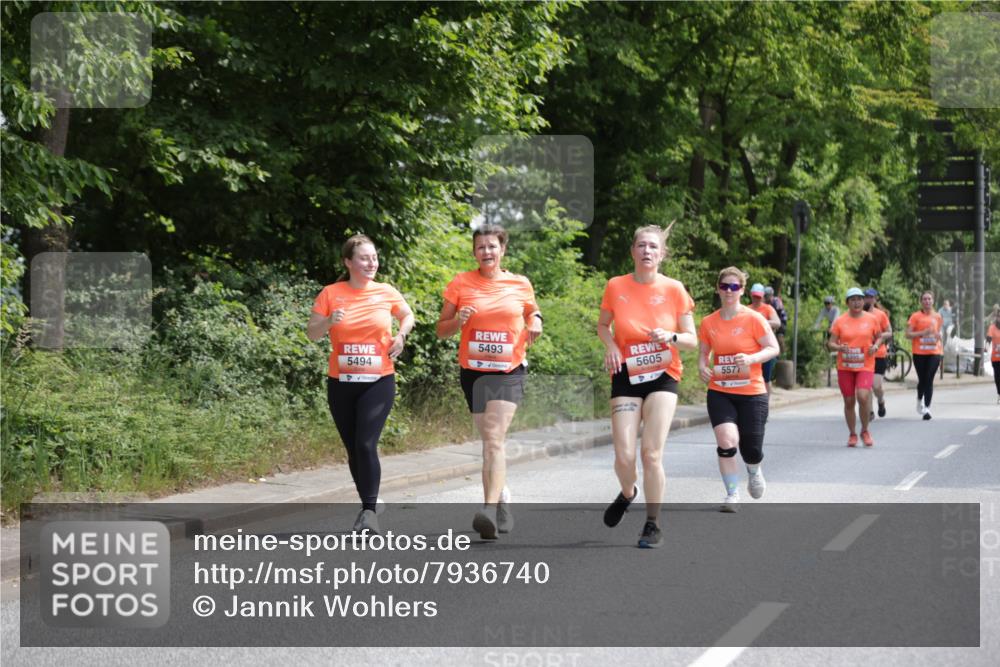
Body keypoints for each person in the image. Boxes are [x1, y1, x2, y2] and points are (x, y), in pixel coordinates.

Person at [437, 223, 542, 540]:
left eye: (492, 246)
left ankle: (487, 509)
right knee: (490, 443)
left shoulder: (519, 283)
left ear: (502, 249)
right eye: (481, 247)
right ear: (474, 252)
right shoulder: (461, 283)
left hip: (508, 370)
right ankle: (502, 497)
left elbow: (533, 313)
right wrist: (459, 320)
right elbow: (442, 329)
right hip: (473, 371)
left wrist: (536, 322)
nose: (486, 252)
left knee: (494, 438)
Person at [597, 224, 697, 549]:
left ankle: (652, 524)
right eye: (641, 245)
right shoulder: (616, 285)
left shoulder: (674, 289)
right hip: (627, 373)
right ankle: (629, 492)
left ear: (662, 254)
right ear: (633, 251)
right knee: (624, 457)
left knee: (651, 453)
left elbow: (692, 340)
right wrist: (611, 346)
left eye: (653, 247)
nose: (647, 251)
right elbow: (603, 325)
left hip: (663, 373)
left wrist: (671, 337)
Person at [307, 234, 415, 534]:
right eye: (365, 258)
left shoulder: (386, 291)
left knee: (366, 443)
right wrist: (329, 321)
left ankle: (368, 513)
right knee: (353, 448)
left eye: (375, 257)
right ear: (348, 262)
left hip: (378, 380)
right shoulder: (331, 293)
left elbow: (408, 315)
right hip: (341, 382)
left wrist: (401, 335)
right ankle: (370, 500)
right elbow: (312, 333)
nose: (372, 263)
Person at [698, 268, 780, 513]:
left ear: (742, 290)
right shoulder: (709, 322)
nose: (729, 291)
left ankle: (754, 468)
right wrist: (702, 367)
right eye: (725, 286)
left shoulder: (754, 318)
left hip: (752, 392)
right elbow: (703, 353)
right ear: (718, 288)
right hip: (720, 390)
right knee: (726, 440)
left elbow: (773, 348)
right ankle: (732, 493)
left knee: (751, 449)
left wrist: (751, 358)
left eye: (734, 287)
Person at [828, 287, 881, 447]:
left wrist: (875, 346)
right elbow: (830, 343)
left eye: (859, 299)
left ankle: (865, 430)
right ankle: (852, 434)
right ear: (847, 303)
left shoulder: (871, 319)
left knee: (863, 397)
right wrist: (839, 348)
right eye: (853, 300)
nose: (857, 302)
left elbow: (879, 338)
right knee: (849, 401)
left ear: (864, 301)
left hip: (865, 364)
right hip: (845, 366)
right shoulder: (840, 321)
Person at [905, 291, 944, 420]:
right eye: (925, 299)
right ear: (921, 302)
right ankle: (919, 398)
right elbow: (908, 334)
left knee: (929, 378)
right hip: (919, 352)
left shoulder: (938, 316)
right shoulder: (915, 316)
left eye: (929, 299)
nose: (927, 301)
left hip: (934, 352)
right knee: (922, 379)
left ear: (933, 301)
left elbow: (939, 333)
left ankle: (927, 407)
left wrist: (939, 336)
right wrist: (922, 332)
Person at [863, 288, 893, 419]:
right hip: (863, 355)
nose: (868, 299)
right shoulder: (858, 314)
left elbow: (890, 332)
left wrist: (879, 335)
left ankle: (881, 401)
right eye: (866, 297)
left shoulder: (881, 314)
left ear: (875, 299)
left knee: (876, 386)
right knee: (866, 386)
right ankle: (869, 411)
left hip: (879, 354)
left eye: (871, 297)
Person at [747, 283, 781, 396]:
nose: (756, 299)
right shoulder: (747, 309)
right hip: (750, 349)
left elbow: (777, 322)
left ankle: (765, 404)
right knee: (749, 376)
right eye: (754, 296)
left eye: (759, 297)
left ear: (763, 297)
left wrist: (762, 321)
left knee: (766, 379)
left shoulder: (768, 309)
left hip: (765, 349)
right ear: (751, 295)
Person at [764, 286, 788, 353]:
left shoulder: (776, 301)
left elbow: (776, 313)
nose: (765, 298)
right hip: (774, 322)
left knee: (779, 337)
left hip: (781, 321)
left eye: (766, 296)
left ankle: (783, 354)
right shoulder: (768, 303)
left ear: (770, 295)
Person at [989, 307, 1000, 404]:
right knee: (997, 377)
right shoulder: (992, 327)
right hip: (995, 358)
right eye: (998, 317)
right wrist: (986, 346)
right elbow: (988, 338)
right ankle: (999, 393)